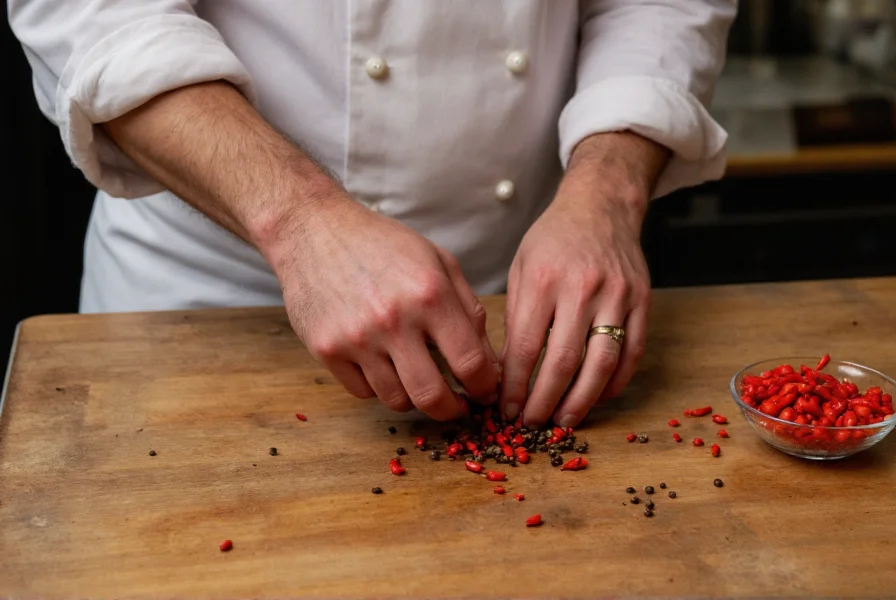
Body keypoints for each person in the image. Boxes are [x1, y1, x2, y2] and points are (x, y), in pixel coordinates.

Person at [9, 1, 736, 428]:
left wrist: (607, 191)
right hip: (207, 301)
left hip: (522, 302)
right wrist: (300, 222)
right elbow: (95, 15)